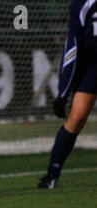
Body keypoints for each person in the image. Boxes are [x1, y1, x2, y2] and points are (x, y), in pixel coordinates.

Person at [38, 0, 97, 189]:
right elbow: (73, 45)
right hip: (93, 66)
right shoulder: (82, 3)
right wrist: (63, 93)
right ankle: (52, 174)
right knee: (76, 117)